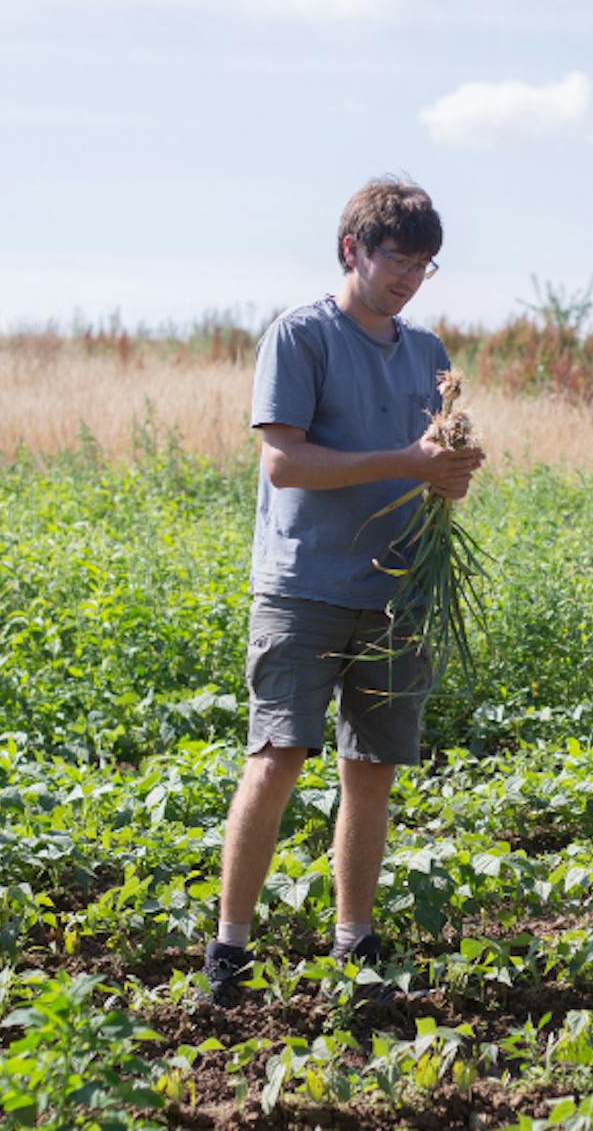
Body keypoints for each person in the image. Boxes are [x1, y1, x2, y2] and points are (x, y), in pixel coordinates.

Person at [204, 177, 484, 1007]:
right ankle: (229, 951)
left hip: (397, 592)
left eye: (425, 265)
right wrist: (405, 460)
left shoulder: (428, 353)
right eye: (398, 259)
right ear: (351, 250)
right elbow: (284, 461)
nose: (409, 277)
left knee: (373, 769)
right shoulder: (301, 338)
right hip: (306, 587)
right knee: (278, 756)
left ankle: (354, 944)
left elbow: (431, 473)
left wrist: (450, 472)